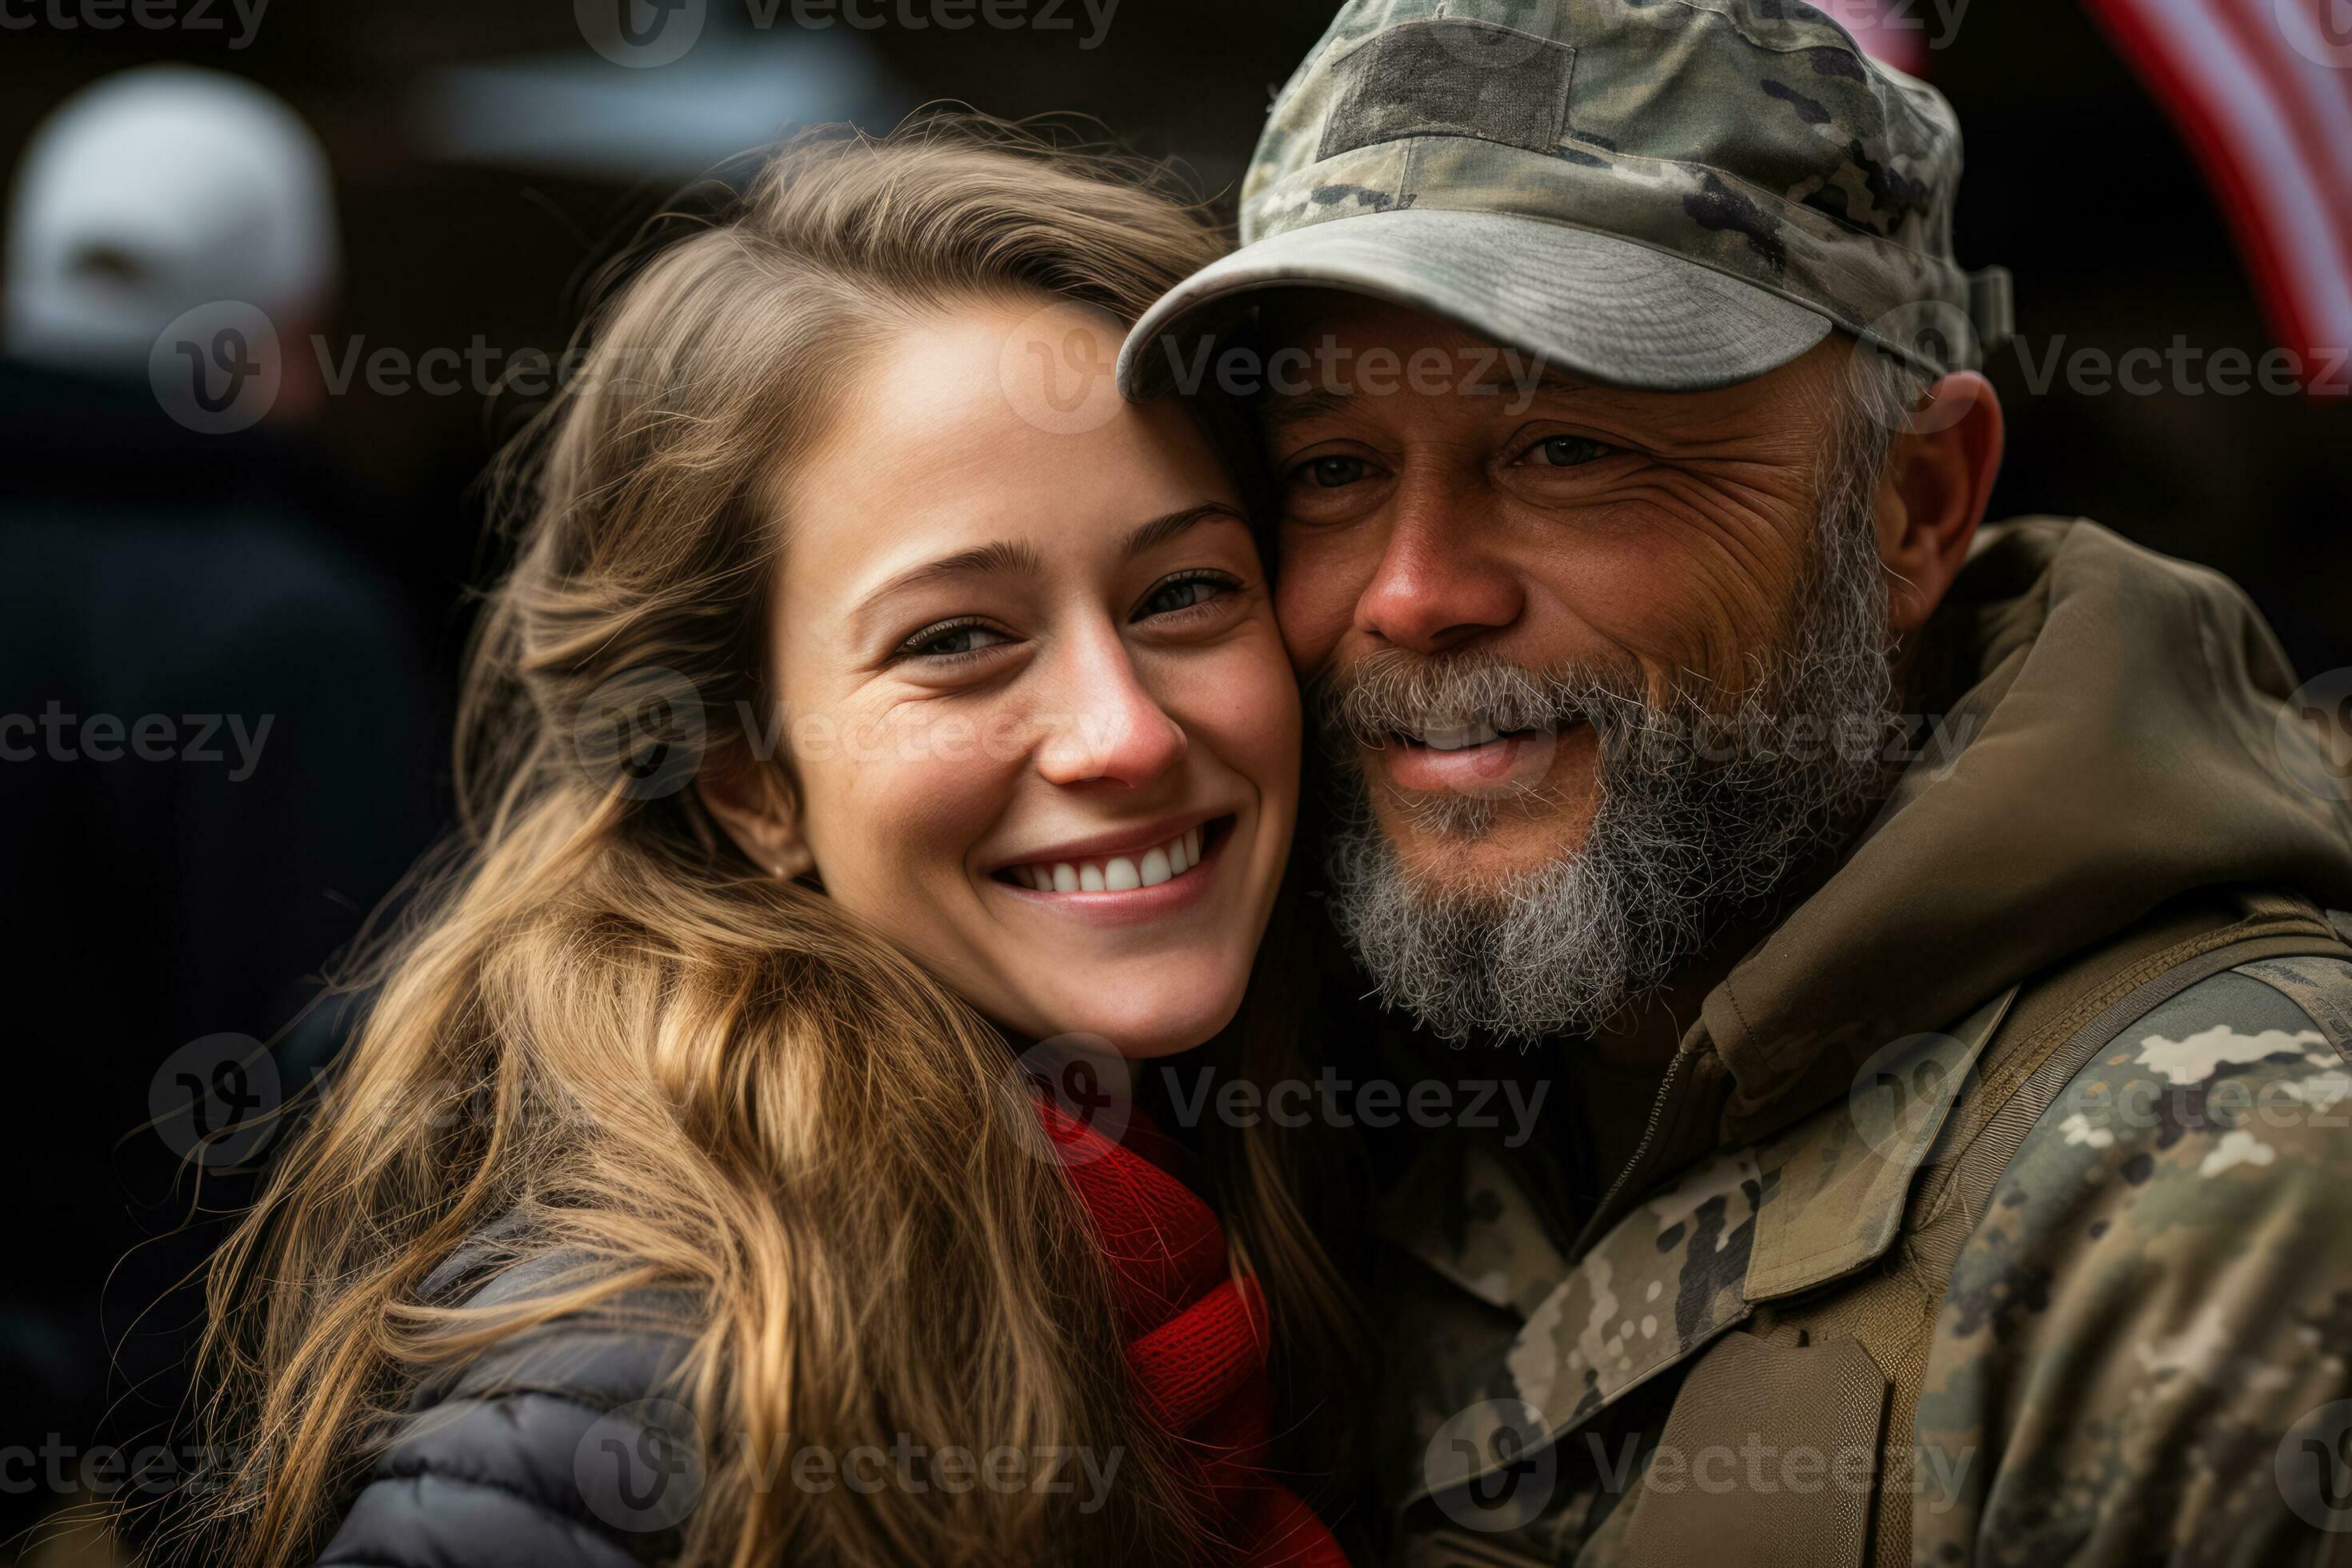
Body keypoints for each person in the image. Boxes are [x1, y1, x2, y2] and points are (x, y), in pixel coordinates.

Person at [1118, 1, 2352, 1562]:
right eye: (1332, 470)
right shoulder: (1300, 1050)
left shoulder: (2235, 1200)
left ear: (1912, 506)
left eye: (1567, 448)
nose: (1415, 592)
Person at [148, 122, 1363, 1568]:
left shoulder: (1272, 1183)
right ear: (748, 779)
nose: (1127, 736)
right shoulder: (658, 1381)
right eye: (959, 639)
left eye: (1183, 593)